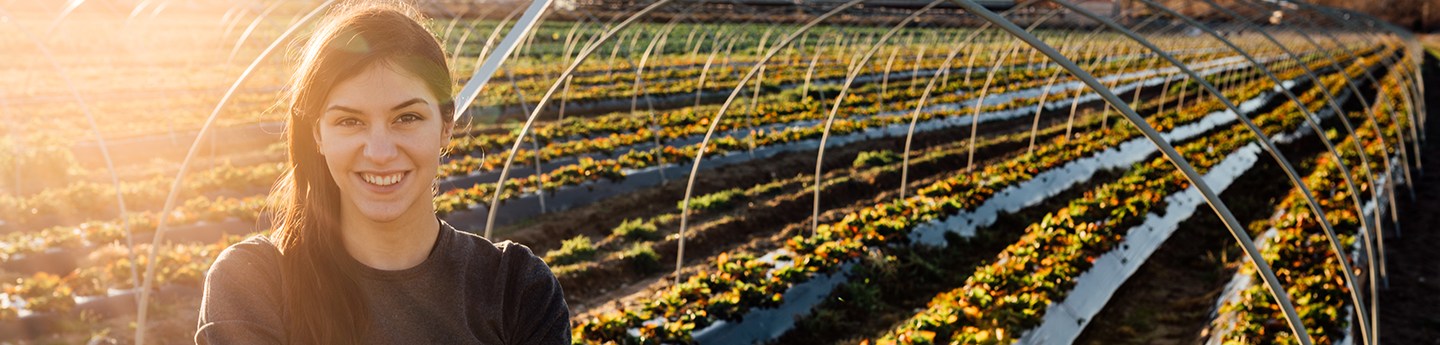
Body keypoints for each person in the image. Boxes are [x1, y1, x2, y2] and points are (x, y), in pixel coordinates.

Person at [195, 2, 570, 344]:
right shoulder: (251, 283)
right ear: (317, 134)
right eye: (349, 121)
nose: (379, 152)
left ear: (446, 124)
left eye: (406, 117)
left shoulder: (517, 289)